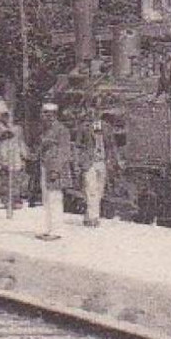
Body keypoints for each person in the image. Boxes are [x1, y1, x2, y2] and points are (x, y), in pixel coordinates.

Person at [36, 102, 73, 240]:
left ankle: (57, 230)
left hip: (55, 168)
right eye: (45, 113)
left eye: (50, 114)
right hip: (45, 165)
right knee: (47, 199)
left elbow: (64, 151)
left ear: (55, 115)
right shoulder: (45, 130)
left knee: (55, 198)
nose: (47, 116)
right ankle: (48, 228)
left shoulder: (61, 130)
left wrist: (56, 170)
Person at [80, 119, 108, 227]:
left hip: (102, 162)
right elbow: (78, 146)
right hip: (90, 163)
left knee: (100, 190)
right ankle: (94, 218)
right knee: (91, 190)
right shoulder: (84, 128)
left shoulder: (106, 127)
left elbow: (110, 145)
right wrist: (81, 162)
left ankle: (88, 215)